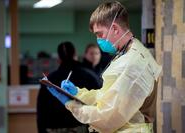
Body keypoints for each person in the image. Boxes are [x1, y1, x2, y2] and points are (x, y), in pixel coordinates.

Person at [47, 1, 162, 133]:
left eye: (99, 34)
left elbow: (105, 119)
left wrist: (70, 103)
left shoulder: (133, 64)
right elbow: (106, 97)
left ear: (114, 28)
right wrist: (78, 93)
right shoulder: (128, 53)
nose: (98, 40)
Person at [37, 41, 103, 133]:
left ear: (59, 59)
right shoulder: (90, 76)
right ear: (75, 55)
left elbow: (41, 111)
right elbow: (100, 103)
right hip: (81, 127)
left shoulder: (49, 80)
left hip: (53, 128)